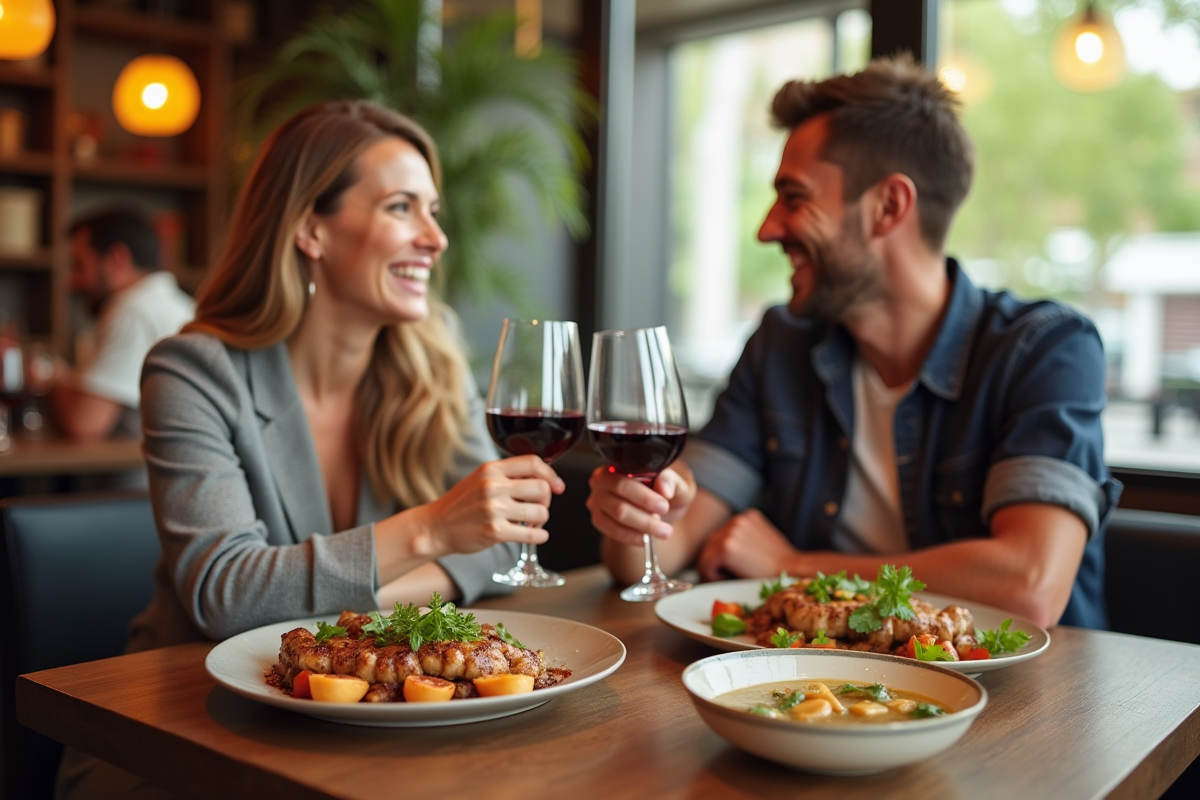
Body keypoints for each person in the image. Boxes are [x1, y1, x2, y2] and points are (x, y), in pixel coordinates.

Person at [56, 100, 562, 800]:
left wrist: (359, 610)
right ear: (310, 230)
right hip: (184, 737)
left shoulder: (432, 362)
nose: (435, 238)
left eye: (433, 210)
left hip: (376, 736)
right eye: (400, 207)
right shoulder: (194, 370)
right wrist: (430, 531)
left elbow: (507, 542)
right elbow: (225, 592)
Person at [587, 55, 1121, 631]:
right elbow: (663, 549)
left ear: (889, 206)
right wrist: (634, 519)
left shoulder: (1045, 349)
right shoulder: (780, 345)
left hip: (1026, 705)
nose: (766, 228)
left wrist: (794, 566)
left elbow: (1029, 587)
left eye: (794, 197)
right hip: (828, 698)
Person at [50, 208, 195, 439]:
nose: (72, 281)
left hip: (141, 473)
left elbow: (84, 424)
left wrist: (51, 379)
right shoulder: (180, 304)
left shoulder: (133, 310)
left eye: (79, 265)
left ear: (117, 259)